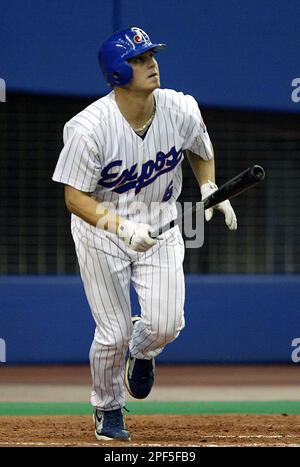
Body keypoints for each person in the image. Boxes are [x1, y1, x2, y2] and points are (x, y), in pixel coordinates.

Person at [52, 26, 237, 442]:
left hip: (162, 220)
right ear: (117, 72)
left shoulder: (179, 107)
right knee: (112, 332)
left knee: (167, 325)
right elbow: (73, 198)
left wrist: (208, 186)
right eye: (138, 59)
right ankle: (108, 406)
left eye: (150, 54)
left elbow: (199, 149)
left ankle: (144, 350)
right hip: (101, 227)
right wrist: (120, 226)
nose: (151, 63)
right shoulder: (88, 128)